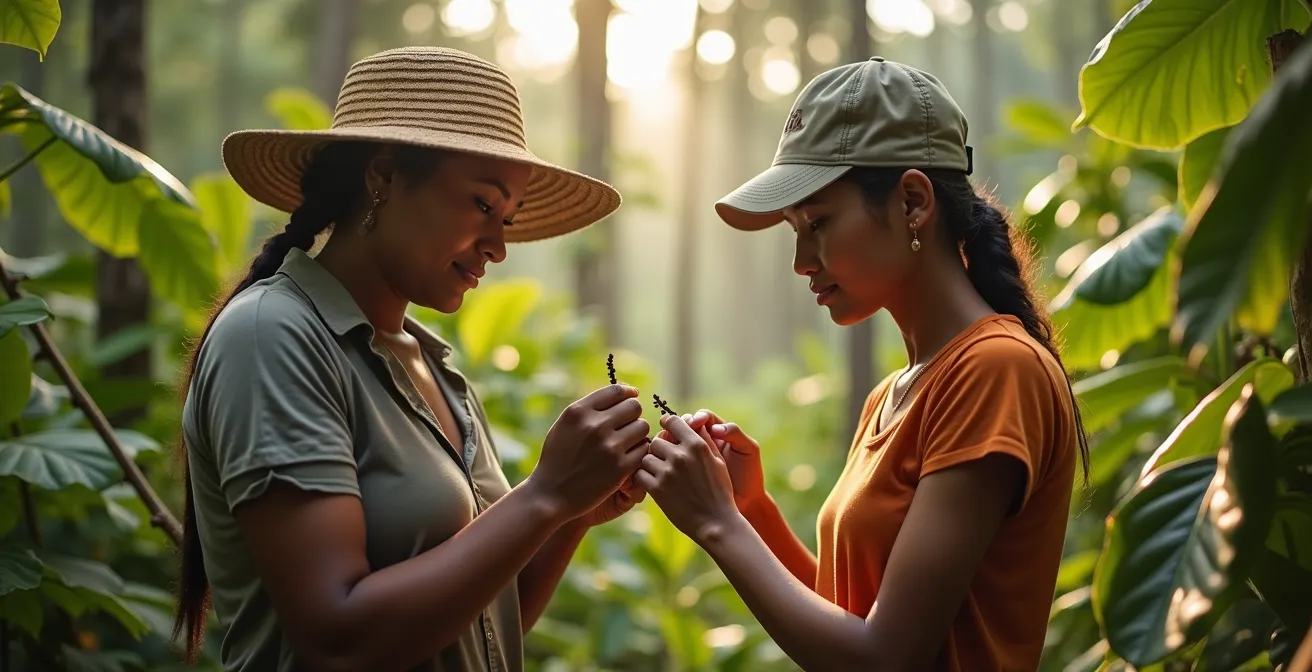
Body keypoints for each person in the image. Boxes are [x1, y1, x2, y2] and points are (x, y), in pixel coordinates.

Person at [172, 47, 651, 672]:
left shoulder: (432, 364)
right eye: (483, 205)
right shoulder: (274, 336)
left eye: (509, 217)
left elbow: (481, 624)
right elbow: (339, 640)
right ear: (385, 177)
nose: (499, 247)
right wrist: (544, 494)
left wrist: (570, 515)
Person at [634, 58, 1090, 672]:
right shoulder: (893, 395)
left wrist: (717, 524)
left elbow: (884, 657)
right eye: (795, 229)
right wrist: (752, 512)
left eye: (818, 222)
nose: (801, 260)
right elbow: (850, 621)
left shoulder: (995, 370)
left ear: (912, 201)